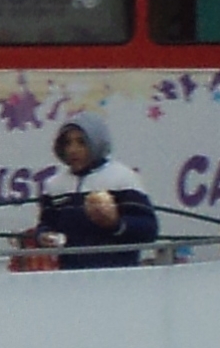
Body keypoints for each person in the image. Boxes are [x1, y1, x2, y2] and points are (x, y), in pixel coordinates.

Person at [32, 110, 160, 268]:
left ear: (96, 142)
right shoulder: (55, 185)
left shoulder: (122, 178)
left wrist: (115, 223)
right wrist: (43, 236)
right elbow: (47, 223)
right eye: (67, 143)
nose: (73, 150)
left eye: (81, 142)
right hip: (70, 278)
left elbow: (149, 230)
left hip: (118, 276)